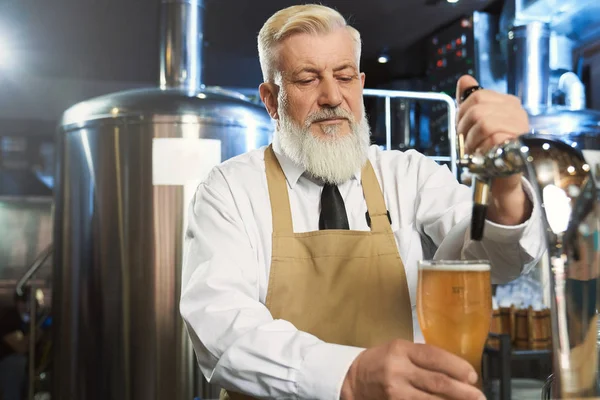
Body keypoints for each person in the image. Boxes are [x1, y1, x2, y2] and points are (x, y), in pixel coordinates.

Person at [180, 4, 545, 400]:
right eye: (307, 79)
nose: (332, 96)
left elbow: (496, 260)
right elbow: (220, 325)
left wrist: (505, 186)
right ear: (271, 100)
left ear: (360, 82)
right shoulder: (229, 189)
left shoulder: (410, 176)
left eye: (344, 76)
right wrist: (348, 376)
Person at [0, 289, 34, 400]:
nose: (28, 306)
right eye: (25, 302)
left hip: (19, 365)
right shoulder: (10, 317)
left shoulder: (26, 319)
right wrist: (39, 329)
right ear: (18, 303)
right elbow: (20, 347)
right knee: (16, 362)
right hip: (7, 362)